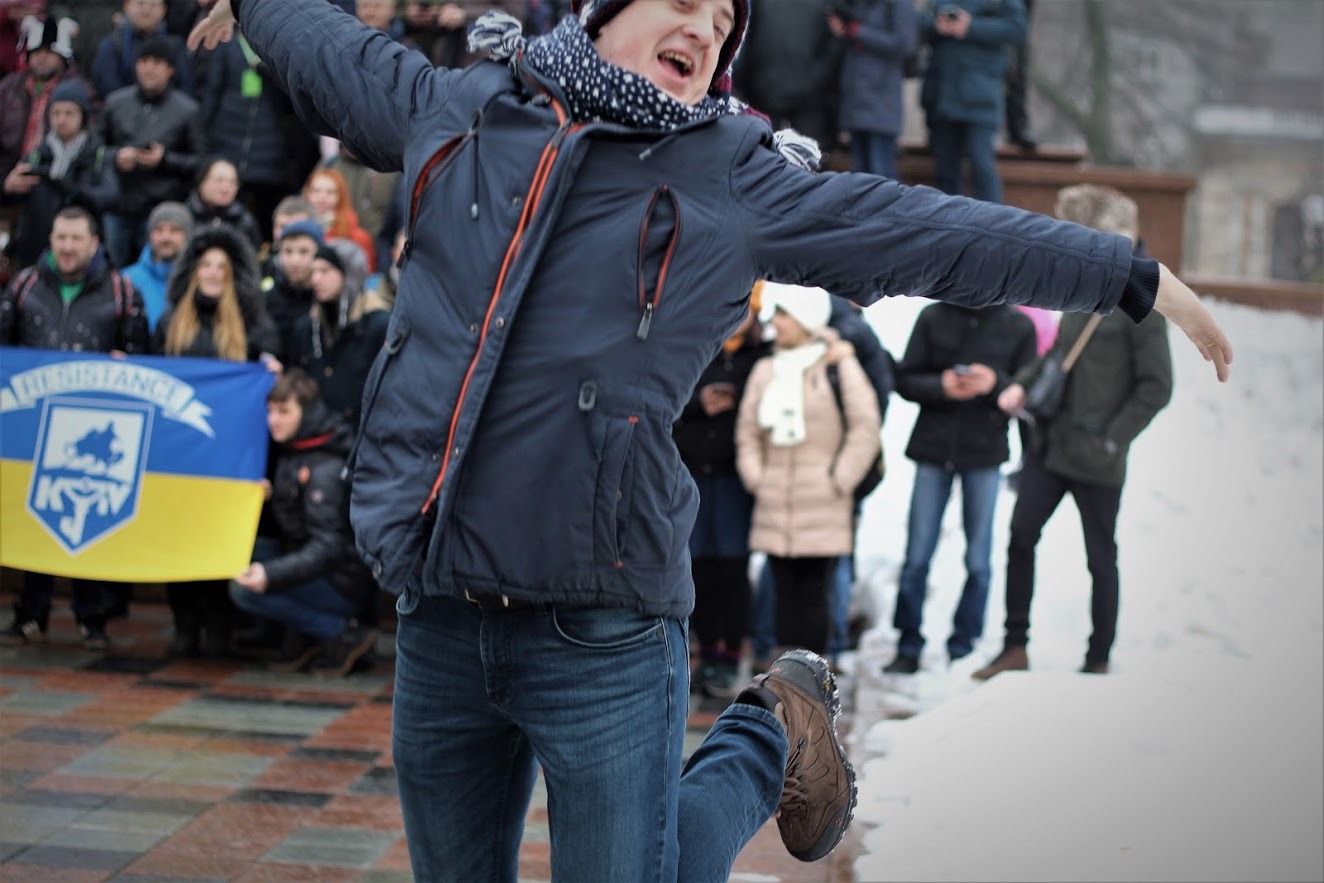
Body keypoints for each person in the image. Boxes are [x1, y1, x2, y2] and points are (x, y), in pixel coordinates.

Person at [188, 0, 1231, 876]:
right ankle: (776, 726)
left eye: (725, 19)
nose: (707, 24)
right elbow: (335, 48)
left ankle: (764, 735)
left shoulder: (730, 178)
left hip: (599, 621)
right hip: (438, 606)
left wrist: (1126, 274)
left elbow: (929, 231)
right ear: (606, 12)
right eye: (683, 0)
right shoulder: (461, 111)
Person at [974, 184, 1175, 680]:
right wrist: (1021, 386)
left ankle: (1097, 658)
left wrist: (1112, 438)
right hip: (1050, 446)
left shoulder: (1142, 302)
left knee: (1100, 560)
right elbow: (1056, 356)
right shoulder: (1085, 286)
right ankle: (1014, 646)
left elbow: (1157, 386)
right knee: (1021, 537)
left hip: (1098, 459)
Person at [0, 205, 148, 650]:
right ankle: (31, 613)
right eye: (60, 238)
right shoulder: (23, 285)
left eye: (75, 239)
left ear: (94, 243)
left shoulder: (122, 291)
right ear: (50, 240)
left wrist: (128, 362)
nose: (66, 247)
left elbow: (144, 356)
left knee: (90, 525)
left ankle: (92, 617)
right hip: (32, 424)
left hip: (93, 427)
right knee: (36, 519)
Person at [881, 300, 1037, 674]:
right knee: (917, 556)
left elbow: (1030, 391)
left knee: (978, 560)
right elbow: (905, 379)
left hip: (985, 453)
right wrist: (942, 386)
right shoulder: (933, 316)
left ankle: (963, 645)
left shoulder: (1019, 326)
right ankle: (908, 644)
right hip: (933, 447)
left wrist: (994, 384)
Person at [153, 224, 280, 656]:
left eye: (220, 266)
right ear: (193, 271)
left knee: (220, 537)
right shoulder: (170, 321)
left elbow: (270, 376)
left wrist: (272, 369)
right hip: (179, 456)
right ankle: (184, 624)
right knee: (178, 538)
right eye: (204, 264)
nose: (211, 272)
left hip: (229, 457)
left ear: (232, 274)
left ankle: (220, 627)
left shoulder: (253, 323)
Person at [737, 283, 881, 659]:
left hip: (823, 501)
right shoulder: (766, 368)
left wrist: (839, 479)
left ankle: (813, 677)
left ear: (804, 319)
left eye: (783, 314)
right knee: (783, 598)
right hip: (777, 500)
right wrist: (756, 476)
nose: (775, 322)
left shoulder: (838, 364)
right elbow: (748, 431)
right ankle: (785, 679)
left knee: (815, 596)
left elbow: (865, 427)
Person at [229, 368, 381, 676]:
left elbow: (328, 547)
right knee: (240, 553)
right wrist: (275, 495)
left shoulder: (325, 468)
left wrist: (271, 575)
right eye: (271, 411)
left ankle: (342, 633)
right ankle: (304, 637)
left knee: (243, 589)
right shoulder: (299, 448)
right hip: (322, 565)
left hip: (343, 581)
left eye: (284, 412)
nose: (273, 420)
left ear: (307, 412)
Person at [672, 282, 767, 697]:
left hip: (735, 478)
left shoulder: (762, 358)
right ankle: (705, 651)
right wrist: (700, 403)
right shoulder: (697, 348)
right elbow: (669, 404)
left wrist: (739, 398)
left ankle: (729, 655)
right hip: (694, 473)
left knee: (732, 568)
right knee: (698, 566)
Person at [98, 35, 206, 267]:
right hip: (119, 206)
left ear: (170, 70)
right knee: (113, 270)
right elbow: (94, 150)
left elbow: (200, 162)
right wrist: (116, 157)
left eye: (157, 63)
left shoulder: (187, 110)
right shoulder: (115, 103)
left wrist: (164, 159)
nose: (149, 69)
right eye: (144, 61)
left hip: (162, 211)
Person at [1, 78, 119, 271]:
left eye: (69, 113)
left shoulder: (98, 155)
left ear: (83, 117)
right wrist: (7, 188)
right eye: (56, 113)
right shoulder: (37, 156)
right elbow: (11, 200)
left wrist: (71, 189)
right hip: (36, 254)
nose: (61, 119)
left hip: (83, 257)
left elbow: (111, 197)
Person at [919, 0, 1025, 203]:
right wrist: (937, 25)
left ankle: (993, 221)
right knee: (945, 170)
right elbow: (918, 23)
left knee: (981, 166)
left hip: (980, 95)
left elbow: (1016, 29)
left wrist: (971, 26)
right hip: (942, 93)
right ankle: (948, 222)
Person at [287, 239, 390, 430]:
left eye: (325, 271)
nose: (315, 279)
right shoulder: (306, 327)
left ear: (348, 274)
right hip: (317, 437)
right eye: (314, 271)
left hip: (363, 435)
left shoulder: (379, 325)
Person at [827, 0, 916, 178]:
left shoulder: (898, 5)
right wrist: (843, 31)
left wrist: (858, 32)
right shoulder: (860, 4)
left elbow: (904, 45)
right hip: (856, 98)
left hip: (882, 100)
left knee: (881, 171)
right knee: (860, 174)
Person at [90, 0, 195, 98]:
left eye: (153, 5)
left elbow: (186, 86)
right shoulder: (112, 44)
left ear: (164, 9)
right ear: (127, 6)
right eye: (140, 4)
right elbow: (107, 85)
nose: (146, 11)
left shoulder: (175, 46)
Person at [122, 198, 192, 330]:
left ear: (188, 236)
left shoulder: (200, 279)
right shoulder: (127, 280)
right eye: (159, 230)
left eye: (174, 230)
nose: (166, 237)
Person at [261, 217, 322, 359]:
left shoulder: (326, 299)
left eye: (304, 252)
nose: (295, 261)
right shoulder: (266, 301)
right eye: (288, 251)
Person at [301, 167, 376, 272]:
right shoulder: (299, 228)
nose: (322, 197)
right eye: (316, 190)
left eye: (330, 192)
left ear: (340, 196)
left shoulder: (358, 237)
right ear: (308, 194)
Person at [185, 156, 265, 249]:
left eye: (232, 182)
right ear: (202, 182)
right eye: (219, 180)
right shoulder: (185, 216)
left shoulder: (245, 221)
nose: (225, 188)